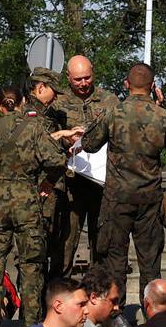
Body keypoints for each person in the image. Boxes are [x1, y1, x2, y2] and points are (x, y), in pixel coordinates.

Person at [0, 69, 79, 327]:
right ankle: (31, 325)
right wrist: (46, 182)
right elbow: (56, 161)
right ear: (22, 102)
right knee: (31, 264)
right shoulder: (34, 129)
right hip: (27, 201)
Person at [98, 62, 166, 305]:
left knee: (115, 259)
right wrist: (161, 106)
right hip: (149, 200)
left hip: (117, 199)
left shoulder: (113, 113)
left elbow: (90, 142)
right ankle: (153, 314)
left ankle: (115, 316)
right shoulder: (161, 116)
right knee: (150, 262)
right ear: (153, 87)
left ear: (127, 85)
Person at [51, 55, 119, 276]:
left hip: (101, 182)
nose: (83, 84)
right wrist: (66, 139)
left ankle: (101, 296)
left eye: (87, 78)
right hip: (71, 183)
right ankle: (62, 295)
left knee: (103, 243)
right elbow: (44, 137)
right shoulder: (57, 103)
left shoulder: (109, 100)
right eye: (77, 79)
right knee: (66, 242)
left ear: (94, 73)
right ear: (68, 78)